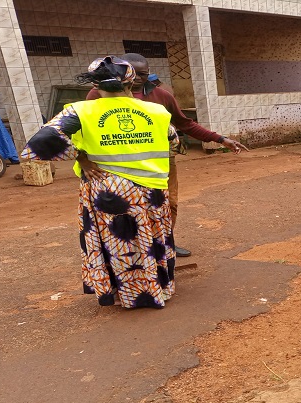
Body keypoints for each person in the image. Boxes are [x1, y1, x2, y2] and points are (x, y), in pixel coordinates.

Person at [20, 56, 177, 308]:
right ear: (132, 81)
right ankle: (156, 289)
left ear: (95, 85)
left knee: (118, 242)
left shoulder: (80, 111)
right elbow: (173, 144)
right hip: (151, 190)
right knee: (151, 239)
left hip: (107, 188)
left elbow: (36, 146)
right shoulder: (157, 111)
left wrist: (80, 155)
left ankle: (122, 293)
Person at [82, 53, 247, 258]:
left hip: (159, 162)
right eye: (134, 74)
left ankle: (165, 242)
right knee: (128, 206)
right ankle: (131, 249)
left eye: (144, 74)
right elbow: (81, 129)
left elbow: (184, 123)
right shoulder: (98, 95)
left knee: (168, 203)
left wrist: (220, 139)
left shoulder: (161, 96)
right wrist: (84, 160)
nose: (139, 78)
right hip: (118, 164)